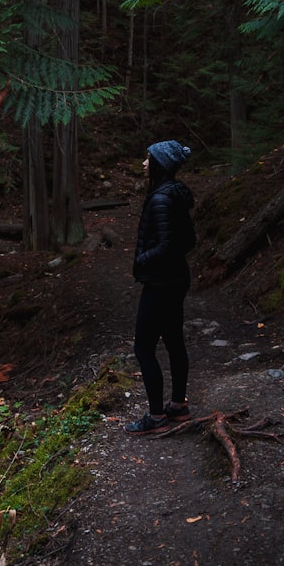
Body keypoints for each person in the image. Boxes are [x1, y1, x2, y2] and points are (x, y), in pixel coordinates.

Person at [125, 140, 197, 434]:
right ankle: (178, 406)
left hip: (161, 283)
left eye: (148, 158)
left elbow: (168, 244)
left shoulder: (161, 199)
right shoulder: (172, 196)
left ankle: (155, 418)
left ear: (159, 164)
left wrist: (142, 260)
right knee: (173, 340)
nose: (144, 163)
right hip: (174, 279)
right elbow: (187, 242)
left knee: (143, 346)